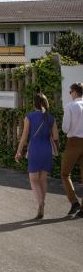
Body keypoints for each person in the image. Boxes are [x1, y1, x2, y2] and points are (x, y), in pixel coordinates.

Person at [15, 93, 59, 219]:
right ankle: (42, 203)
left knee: (34, 180)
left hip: (34, 149)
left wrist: (19, 151)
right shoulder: (51, 118)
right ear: (46, 103)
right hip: (46, 149)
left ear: (34, 104)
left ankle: (40, 203)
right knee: (43, 179)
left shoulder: (29, 117)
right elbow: (56, 137)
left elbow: (24, 137)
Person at [61, 83, 83, 218]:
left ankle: (74, 202)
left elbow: (65, 128)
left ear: (74, 92)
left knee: (64, 173)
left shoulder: (70, 106)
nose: (70, 94)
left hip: (74, 142)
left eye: (70, 92)